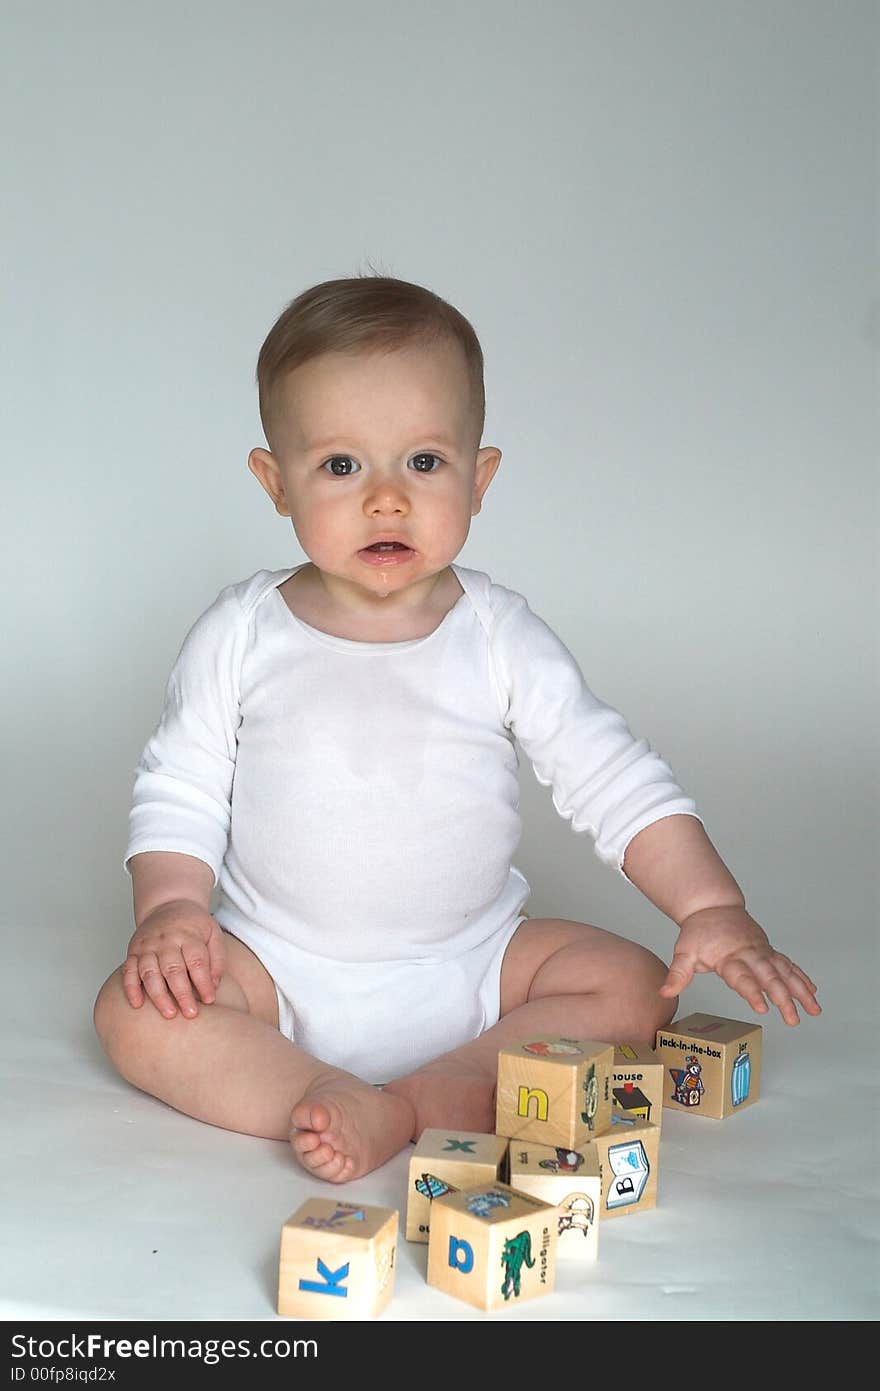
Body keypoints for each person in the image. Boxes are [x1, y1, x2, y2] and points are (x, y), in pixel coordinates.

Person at [93, 275, 821, 1184]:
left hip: (475, 967)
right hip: (273, 967)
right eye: (342, 466)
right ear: (276, 483)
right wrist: (171, 914)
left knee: (634, 985)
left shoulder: (496, 633)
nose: (387, 499)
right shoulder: (243, 629)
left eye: (424, 463)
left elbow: (611, 775)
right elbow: (181, 787)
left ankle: (435, 1085)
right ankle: (318, 1088)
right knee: (132, 1012)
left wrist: (710, 906)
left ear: (480, 477)